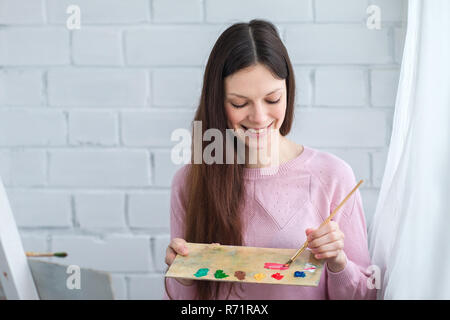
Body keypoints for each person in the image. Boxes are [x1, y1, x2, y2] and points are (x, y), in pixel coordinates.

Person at [164, 19, 376, 300]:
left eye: (273, 99)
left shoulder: (333, 175)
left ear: (288, 91)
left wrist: (338, 263)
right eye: (240, 104)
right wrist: (184, 271)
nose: (259, 117)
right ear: (217, 101)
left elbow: (366, 295)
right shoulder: (190, 182)